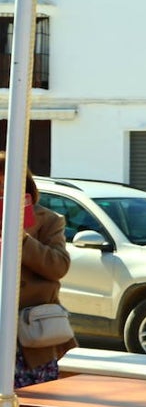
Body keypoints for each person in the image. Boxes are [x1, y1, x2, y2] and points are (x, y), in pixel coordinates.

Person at [3, 155, 74, 387]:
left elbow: (58, 266)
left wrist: (21, 238)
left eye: (7, 187)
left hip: (31, 335)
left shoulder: (49, 220)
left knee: (33, 405)